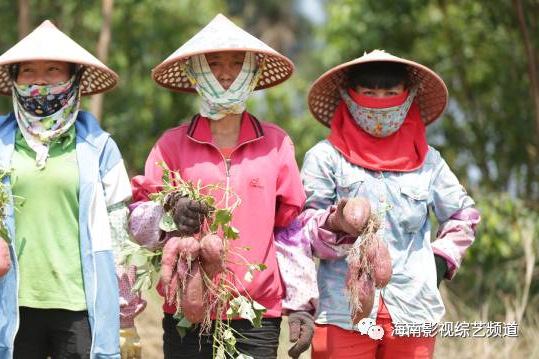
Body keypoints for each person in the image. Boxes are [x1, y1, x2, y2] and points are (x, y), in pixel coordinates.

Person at [0, 20, 144, 359]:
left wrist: (124, 308)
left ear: (73, 78)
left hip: (80, 305)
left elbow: (120, 228)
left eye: (52, 70)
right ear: (14, 80)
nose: (40, 80)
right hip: (13, 305)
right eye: (28, 71)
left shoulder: (98, 146)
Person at [128, 14, 317, 359]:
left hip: (256, 312)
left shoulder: (275, 144)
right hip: (189, 306)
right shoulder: (172, 145)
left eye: (236, 64)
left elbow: (290, 230)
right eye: (213, 65)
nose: (226, 74)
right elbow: (138, 220)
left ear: (254, 71)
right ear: (195, 73)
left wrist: (301, 302)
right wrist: (169, 210)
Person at [300, 50, 481, 358]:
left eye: (390, 93)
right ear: (350, 96)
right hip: (343, 312)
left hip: (413, 312)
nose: (379, 102)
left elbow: (463, 216)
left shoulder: (429, 162)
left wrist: (439, 263)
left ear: (406, 97)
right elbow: (303, 229)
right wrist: (336, 223)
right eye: (369, 93)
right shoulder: (325, 157)